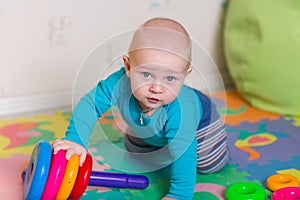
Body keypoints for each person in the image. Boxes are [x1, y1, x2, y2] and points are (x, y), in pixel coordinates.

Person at [53, 17, 229, 200]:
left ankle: (210, 150)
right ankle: (162, 144)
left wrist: (180, 195)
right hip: (148, 126)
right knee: (135, 156)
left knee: (208, 163)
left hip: (201, 125)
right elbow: (91, 104)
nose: (157, 88)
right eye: (146, 74)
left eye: (170, 79)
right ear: (128, 67)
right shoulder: (119, 84)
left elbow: (184, 151)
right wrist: (75, 139)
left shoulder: (181, 109)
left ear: (185, 76)